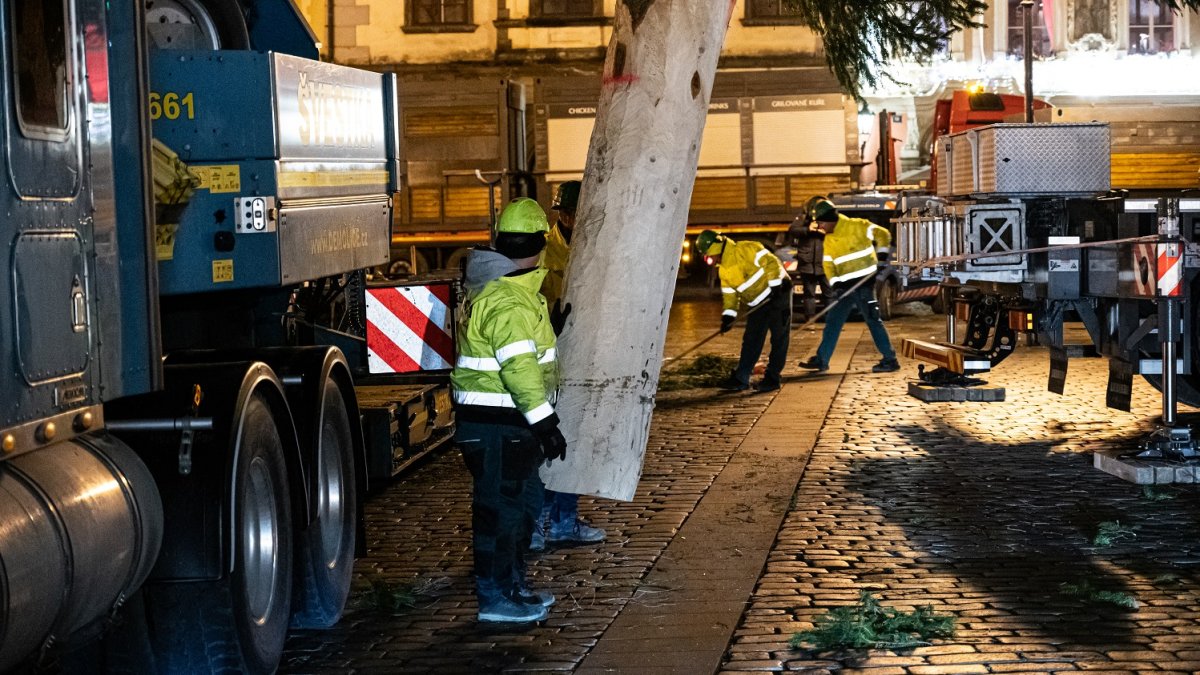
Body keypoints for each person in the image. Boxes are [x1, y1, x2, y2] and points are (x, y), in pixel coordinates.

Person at [452, 197, 567, 623]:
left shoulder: (510, 291)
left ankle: (511, 588)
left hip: (505, 427)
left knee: (520, 509)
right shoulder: (509, 299)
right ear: (540, 243)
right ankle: (495, 599)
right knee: (501, 515)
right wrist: (547, 424)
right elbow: (519, 369)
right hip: (501, 427)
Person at [532, 180, 607, 551]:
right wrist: (551, 329)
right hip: (552, 357)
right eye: (574, 212)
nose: (580, 218)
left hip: (584, 353)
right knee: (551, 442)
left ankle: (560, 521)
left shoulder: (596, 243)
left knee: (572, 441)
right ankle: (543, 523)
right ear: (562, 213)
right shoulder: (546, 252)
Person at [797, 197, 900, 374]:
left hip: (864, 283)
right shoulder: (828, 239)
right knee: (832, 322)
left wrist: (882, 257)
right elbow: (828, 264)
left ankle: (890, 359)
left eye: (820, 223)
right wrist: (836, 284)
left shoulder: (857, 226)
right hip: (844, 288)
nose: (819, 227)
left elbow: (883, 234)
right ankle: (822, 360)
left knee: (873, 320)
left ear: (830, 219)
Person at [697, 229, 793, 393]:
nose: (708, 260)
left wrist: (776, 286)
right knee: (751, 339)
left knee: (779, 337)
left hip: (778, 295)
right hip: (757, 304)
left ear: (714, 248)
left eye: (708, 255)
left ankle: (772, 378)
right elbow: (730, 296)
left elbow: (771, 262)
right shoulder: (724, 270)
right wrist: (728, 317)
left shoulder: (746, 249)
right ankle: (741, 378)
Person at [789, 198, 831, 320]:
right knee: (809, 293)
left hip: (824, 263)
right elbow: (793, 230)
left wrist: (826, 231)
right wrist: (808, 229)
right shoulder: (803, 217)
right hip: (807, 263)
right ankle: (810, 320)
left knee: (829, 293)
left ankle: (831, 320)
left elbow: (839, 234)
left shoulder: (831, 218)